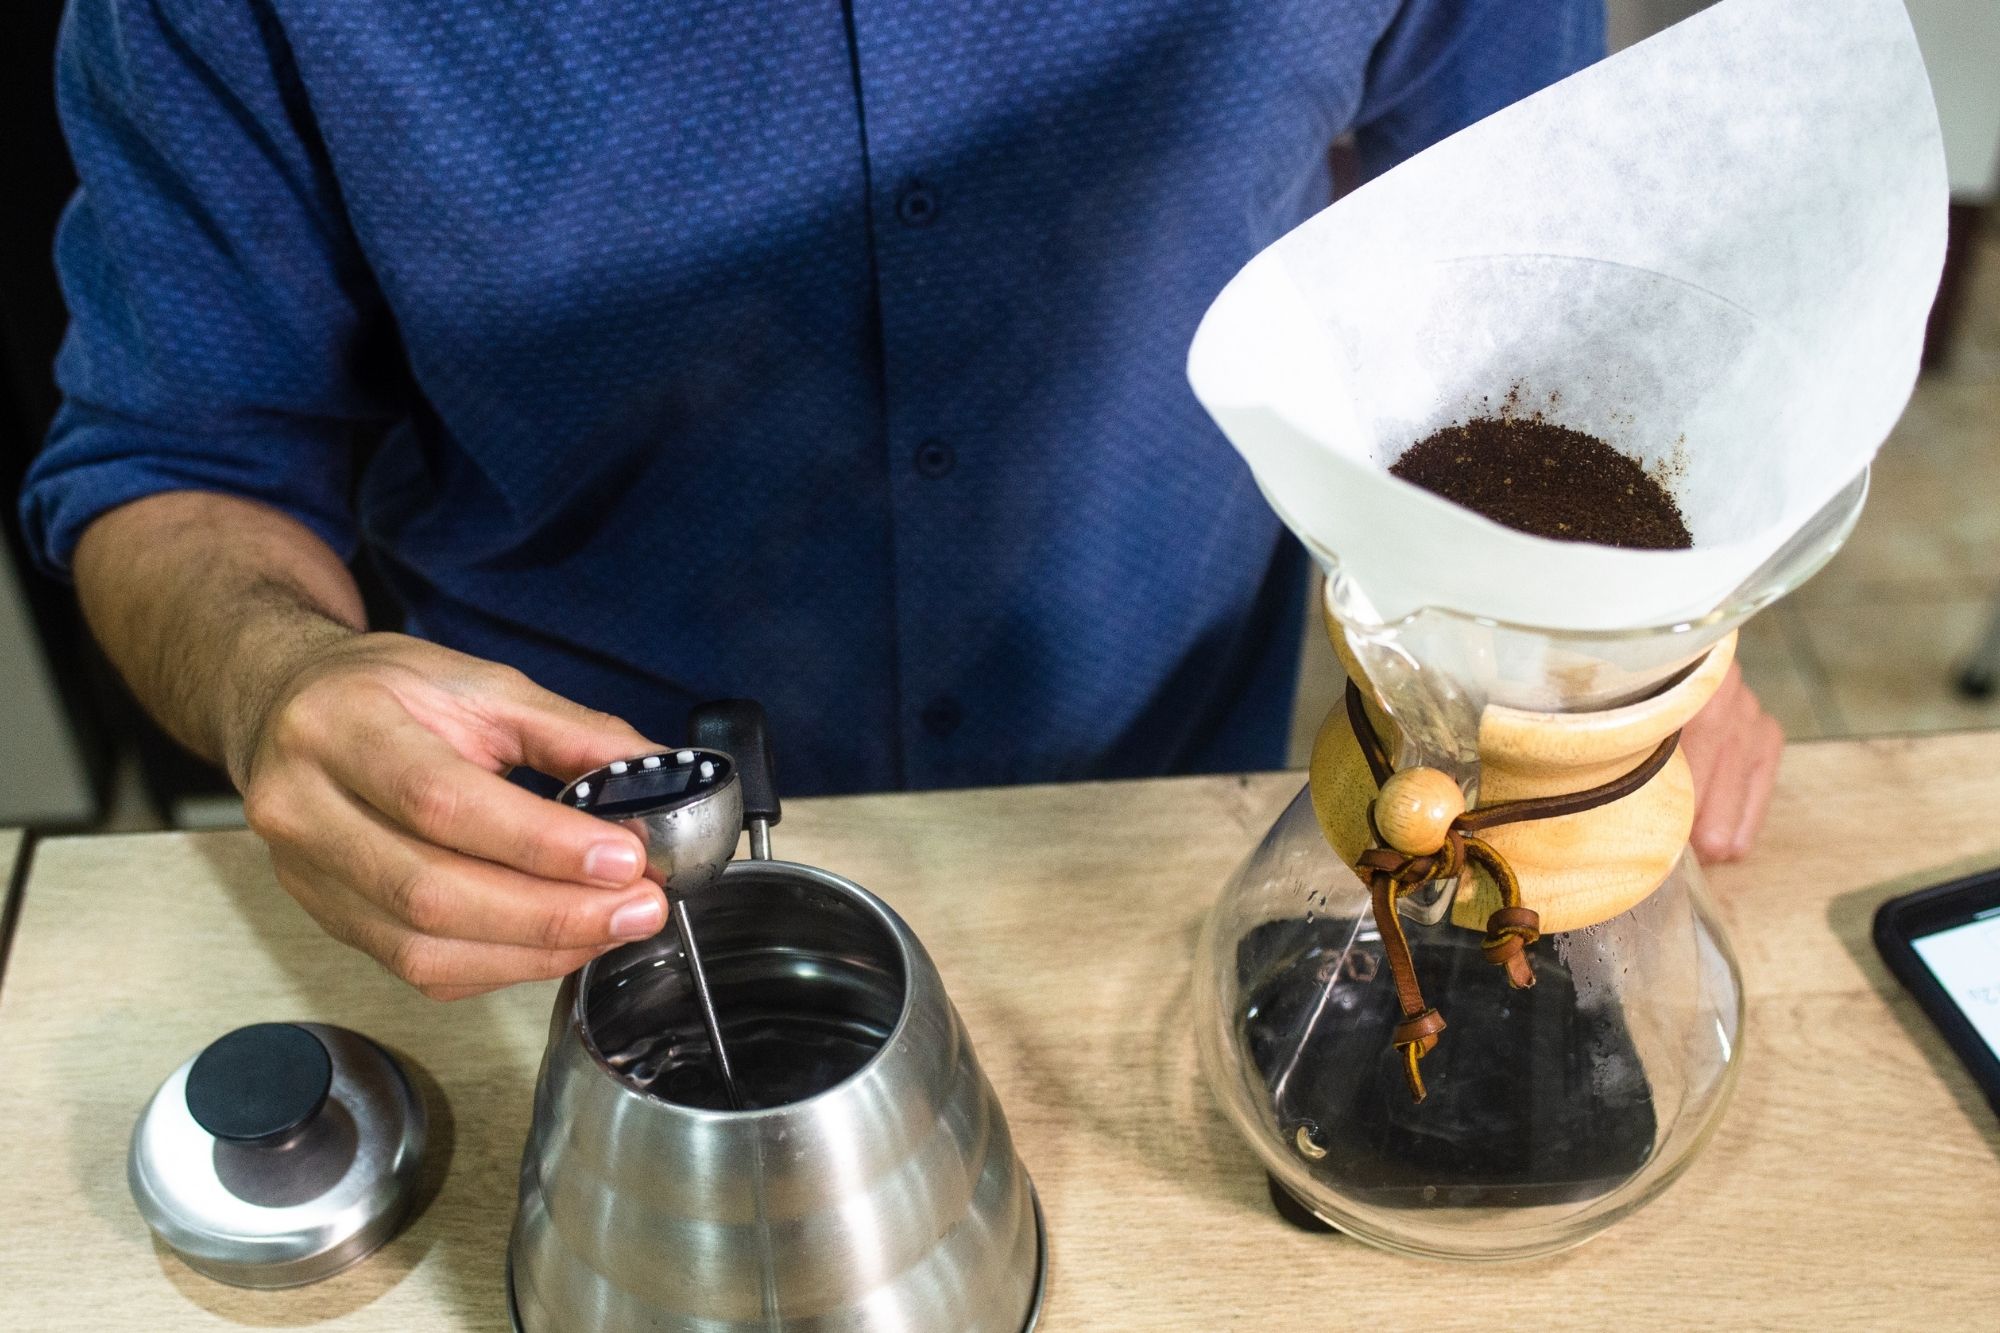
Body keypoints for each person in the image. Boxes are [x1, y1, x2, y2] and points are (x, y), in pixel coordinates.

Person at [21, 1, 1781, 1000]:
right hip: (566, 894)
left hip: (1182, 833)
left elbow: (1534, 260)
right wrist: (279, 685)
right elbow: (177, 461)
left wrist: (1622, 628)